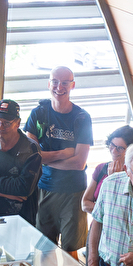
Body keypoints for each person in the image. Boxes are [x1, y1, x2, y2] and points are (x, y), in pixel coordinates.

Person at [23, 67, 92, 253]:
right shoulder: (38, 114)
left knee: (71, 251)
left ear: (73, 85)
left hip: (74, 192)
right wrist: (63, 154)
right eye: (55, 81)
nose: (59, 87)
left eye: (65, 82)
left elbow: (79, 163)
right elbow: (30, 156)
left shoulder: (82, 118)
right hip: (45, 188)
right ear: (48, 83)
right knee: (44, 251)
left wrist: (44, 159)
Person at [80, 126, 133, 217]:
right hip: (98, 227)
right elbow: (85, 204)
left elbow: (127, 211)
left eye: (120, 148)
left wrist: (115, 179)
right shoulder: (101, 168)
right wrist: (108, 211)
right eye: (112, 145)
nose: (114, 151)